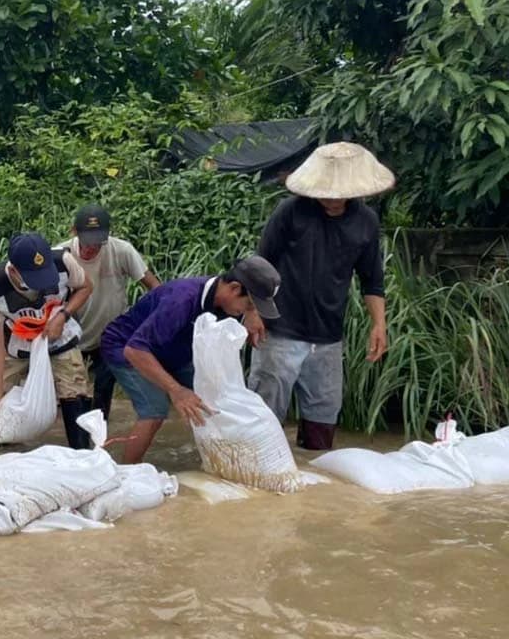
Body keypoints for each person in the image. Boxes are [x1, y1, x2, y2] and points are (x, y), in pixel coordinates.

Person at [247, 142, 394, 451]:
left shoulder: (365, 221)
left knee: (323, 420)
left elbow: (372, 280)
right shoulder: (290, 212)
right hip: (280, 330)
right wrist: (252, 311)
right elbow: (260, 264)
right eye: (325, 190)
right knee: (262, 417)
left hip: (328, 336)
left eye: (339, 192)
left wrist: (379, 325)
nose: (331, 197)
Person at [101, 256, 281, 464]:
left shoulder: (225, 300)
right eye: (249, 304)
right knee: (155, 409)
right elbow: (135, 350)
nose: (246, 310)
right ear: (233, 288)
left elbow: (239, 312)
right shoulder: (181, 300)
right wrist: (176, 390)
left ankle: (228, 463)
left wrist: (251, 313)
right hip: (126, 347)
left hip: (174, 350)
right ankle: (126, 473)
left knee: (215, 397)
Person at [0, 233, 95, 450]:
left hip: (60, 336)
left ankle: (82, 454)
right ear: (14, 271)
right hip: (15, 347)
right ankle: (2, 457)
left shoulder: (63, 261)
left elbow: (86, 287)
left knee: (75, 388)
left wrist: (63, 315)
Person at [58, 204, 160, 420]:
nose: (92, 248)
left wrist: (153, 318)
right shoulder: (60, 255)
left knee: (103, 388)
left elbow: (154, 287)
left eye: (98, 242)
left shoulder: (122, 250)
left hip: (111, 332)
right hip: (72, 333)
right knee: (74, 393)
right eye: (87, 241)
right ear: (74, 232)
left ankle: (99, 438)